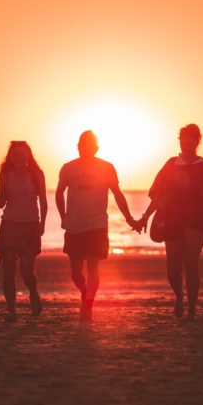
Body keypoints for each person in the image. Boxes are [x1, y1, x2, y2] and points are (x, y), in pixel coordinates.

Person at [138, 124, 203, 320]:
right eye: (183, 142)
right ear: (180, 142)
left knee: (190, 263)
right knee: (172, 269)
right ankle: (179, 296)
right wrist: (145, 216)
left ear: (197, 142)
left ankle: (192, 308)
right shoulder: (171, 164)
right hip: (172, 219)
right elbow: (158, 195)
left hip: (198, 221)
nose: (187, 146)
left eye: (191, 142)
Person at [56, 130, 138, 321]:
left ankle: (89, 305)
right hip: (74, 226)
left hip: (97, 225)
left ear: (95, 148)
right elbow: (59, 193)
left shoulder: (106, 167)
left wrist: (128, 218)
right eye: (81, 145)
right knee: (75, 273)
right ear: (78, 147)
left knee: (93, 268)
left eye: (88, 145)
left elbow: (117, 194)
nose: (84, 148)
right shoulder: (68, 168)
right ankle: (85, 293)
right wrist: (63, 216)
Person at [0, 141, 47, 321]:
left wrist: (42, 224)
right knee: (8, 271)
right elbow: (0, 203)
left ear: (28, 156)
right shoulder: (6, 175)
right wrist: (3, 189)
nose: (19, 157)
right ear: (10, 157)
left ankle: (33, 293)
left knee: (26, 269)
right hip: (9, 225)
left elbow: (44, 202)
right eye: (15, 154)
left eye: (22, 154)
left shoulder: (36, 174)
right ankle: (11, 311)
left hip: (30, 225)